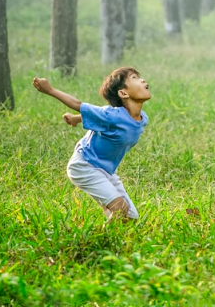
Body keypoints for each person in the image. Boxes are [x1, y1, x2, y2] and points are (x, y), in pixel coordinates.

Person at [32, 68, 151, 220]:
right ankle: (97, 240)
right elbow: (78, 104)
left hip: (106, 171)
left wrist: (76, 119)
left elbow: (100, 118)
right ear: (123, 93)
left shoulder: (142, 118)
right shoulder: (112, 115)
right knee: (120, 210)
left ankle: (110, 220)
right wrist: (50, 90)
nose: (142, 80)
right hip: (85, 166)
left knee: (131, 217)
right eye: (134, 78)